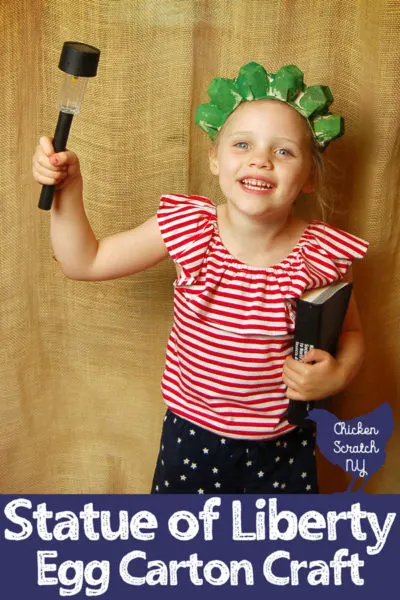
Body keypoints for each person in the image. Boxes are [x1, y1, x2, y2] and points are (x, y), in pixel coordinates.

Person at [32, 62, 369, 494]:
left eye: (283, 151)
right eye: (242, 144)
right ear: (214, 157)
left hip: (283, 444)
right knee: (187, 552)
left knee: (274, 556)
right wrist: (69, 188)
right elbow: (84, 262)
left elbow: (353, 332)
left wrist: (339, 375)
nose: (260, 160)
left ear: (309, 177)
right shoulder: (191, 228)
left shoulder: (322, 254)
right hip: (192, 437)